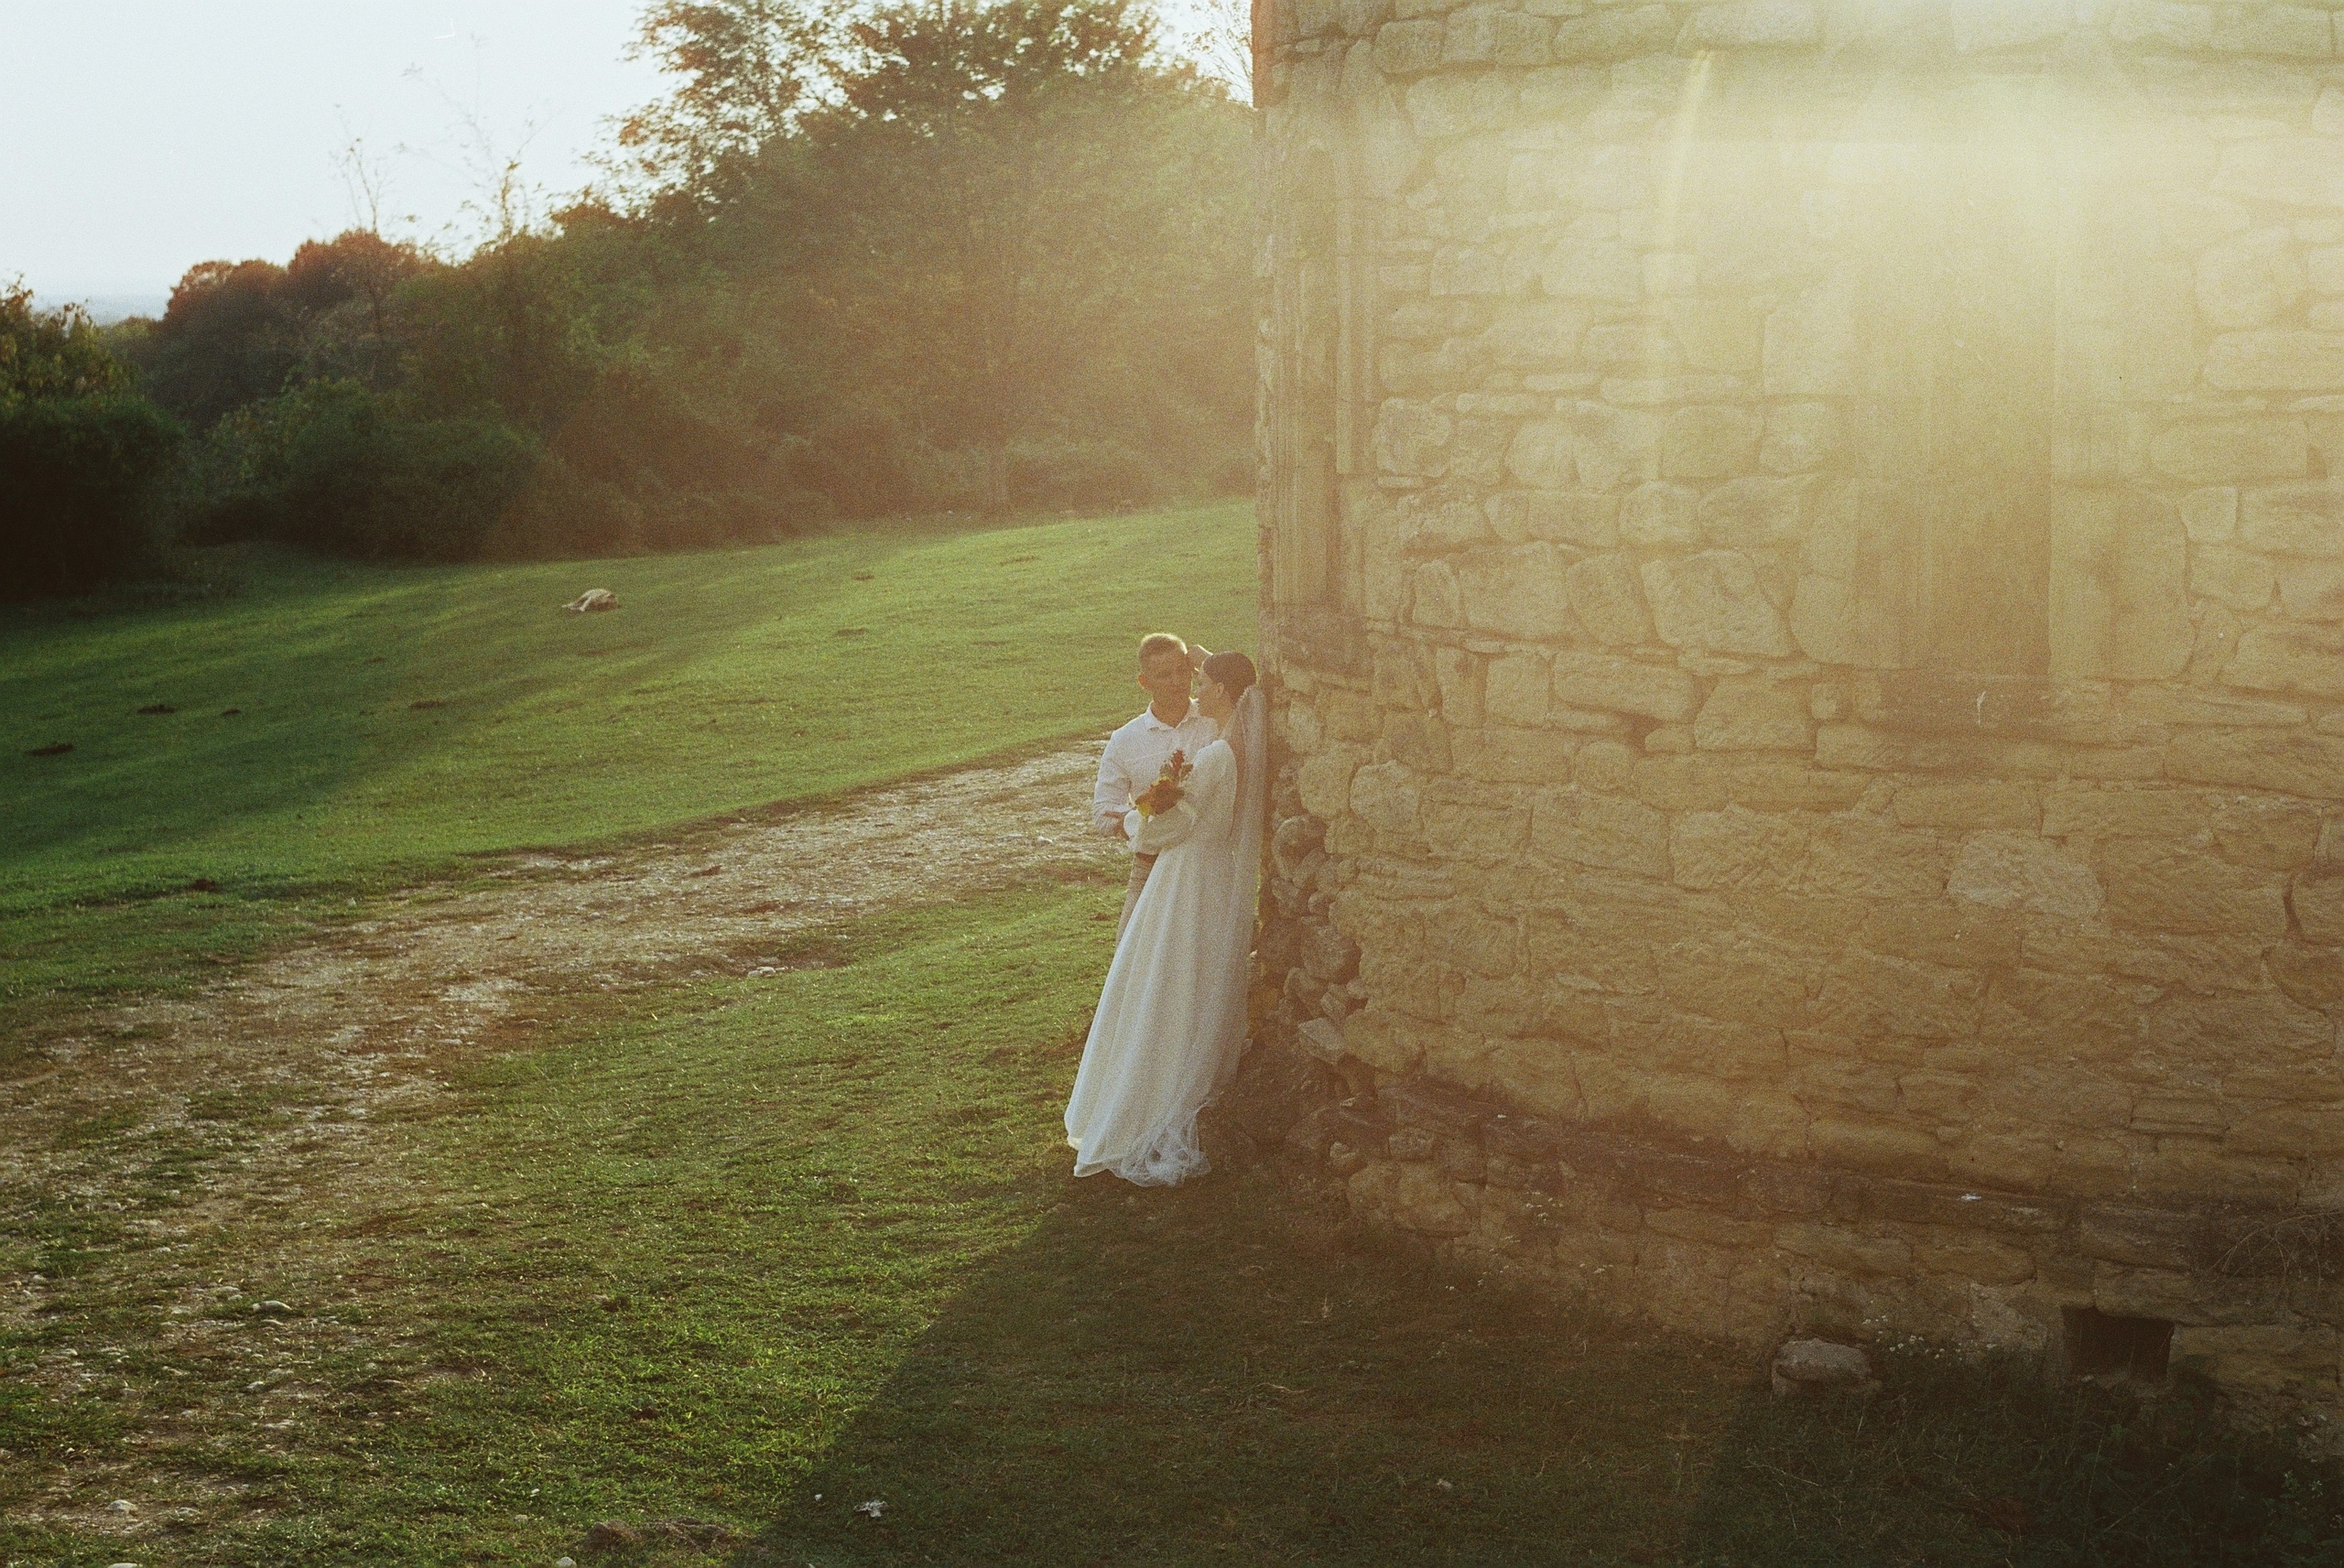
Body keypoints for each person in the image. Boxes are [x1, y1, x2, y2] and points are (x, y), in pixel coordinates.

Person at [1065, 651, 1268, 1186]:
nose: (1195, 688)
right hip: (1210, 875)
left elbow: (1169, 826)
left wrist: (1136, 821)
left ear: (1222, 693)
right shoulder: (1236, 748)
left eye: (1200, 680)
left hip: (1185, 876)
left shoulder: (1219, 753)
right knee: (1177, 975)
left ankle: (1153, 1091)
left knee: (1159, 979)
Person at [1092, 633, 1218, 937]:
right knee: (1132, 951)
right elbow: (1103, 812)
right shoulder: (1125, 739)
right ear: (1144, 682)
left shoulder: (1215, 719)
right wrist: (1140, 819)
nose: (1176, 681)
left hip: (1207, 863)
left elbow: (1248, 697)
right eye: (1164, 675)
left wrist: (1211, 662)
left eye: (1182, 671)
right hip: (1152, 865)